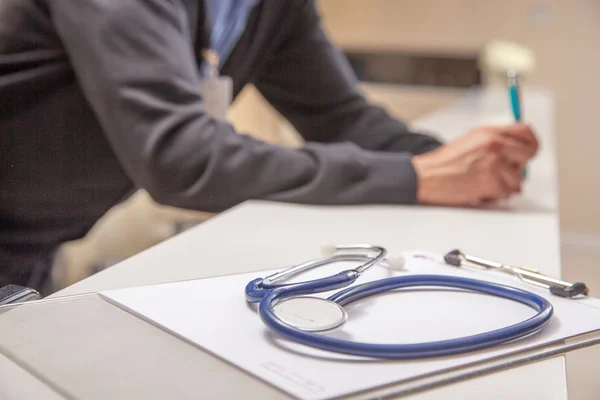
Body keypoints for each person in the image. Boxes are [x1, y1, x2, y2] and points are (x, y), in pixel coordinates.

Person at [0, 0, 538, 293]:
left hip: (31, 247)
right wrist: (420, 177)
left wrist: (467, 161)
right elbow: (183, 158)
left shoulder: (270, 9)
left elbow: (342, 117)